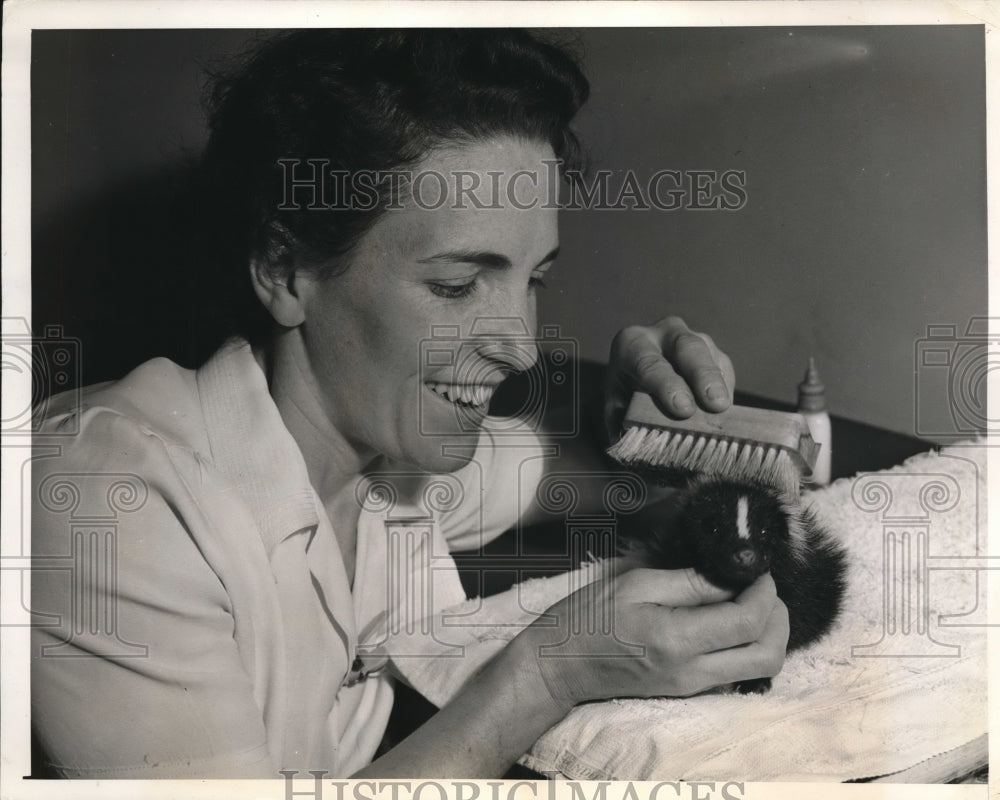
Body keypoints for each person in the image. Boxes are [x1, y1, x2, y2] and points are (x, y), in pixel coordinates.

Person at [30, 29, 788, 779]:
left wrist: (655, 418)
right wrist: (552, 672)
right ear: (286, 269)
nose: (521, 347)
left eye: (534, 281)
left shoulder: (389, 447)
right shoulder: (111, 499)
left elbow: (592, 470)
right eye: (457, 287)